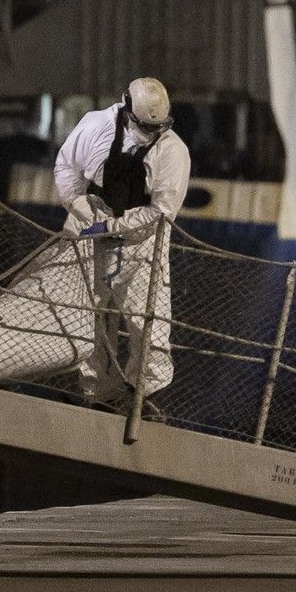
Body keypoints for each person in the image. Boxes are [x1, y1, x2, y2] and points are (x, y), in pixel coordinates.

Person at [54, 77, 191, 404]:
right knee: (89, 317)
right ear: (127, 110)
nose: (152, 133)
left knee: (151, 320)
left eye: (159, 127)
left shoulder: (173, 151)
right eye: (145, 125)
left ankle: (147, 395)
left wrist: (110, 227)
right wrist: (80, 206)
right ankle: (94, 393)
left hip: (143, 245)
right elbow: (67, 169)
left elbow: (160, 213)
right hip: (91, 234)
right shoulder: (95, 126)